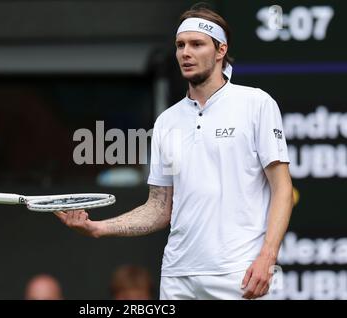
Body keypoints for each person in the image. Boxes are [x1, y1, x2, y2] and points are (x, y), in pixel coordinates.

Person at [55, 3, 293, 300]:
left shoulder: (256, 104)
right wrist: (97, 228)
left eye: (196, 44)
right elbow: (158, 207)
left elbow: (282, 189)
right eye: (180, 45)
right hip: (178, 277)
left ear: (221, 51)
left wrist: (267, 258)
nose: (185, 53)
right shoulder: (167, 121)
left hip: (239, 274)